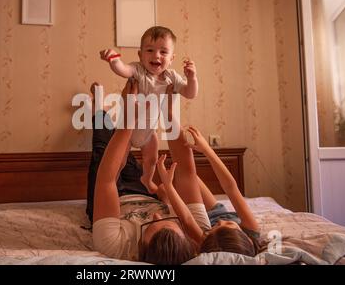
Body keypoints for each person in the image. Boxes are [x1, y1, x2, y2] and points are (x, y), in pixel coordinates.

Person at [87, 79, 210, 265]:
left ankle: (99, 110)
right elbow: (186, 172)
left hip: (115, 200)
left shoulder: (115, 246)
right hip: (145, 191)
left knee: (102, 151)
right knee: (123, 153)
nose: (156, 215)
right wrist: (168, 111)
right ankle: (109, 116)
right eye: (169, 222)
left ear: (139, 252)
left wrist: (128, 119)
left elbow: (107, 180)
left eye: (149, 226)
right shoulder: (197, 232)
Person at [99, 26, 198, 195]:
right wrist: (114, 60)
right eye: (150, 50)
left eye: (163, 52)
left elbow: (190, 94)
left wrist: (192, 78)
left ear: (172, 58)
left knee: (152, 159)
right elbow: (123, 70)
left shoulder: (171, 77)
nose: (156, 55)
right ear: (140, 55)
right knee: (120, 161)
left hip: (149, 132)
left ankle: (147, 179)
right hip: (129, 131)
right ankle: (113, 182)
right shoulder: (138, 70)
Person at [166, 125, 262, 256]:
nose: (221, 222)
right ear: (246, 239)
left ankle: (168, 114)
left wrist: (169, 187)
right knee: (188, 176)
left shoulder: (206, 241)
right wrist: (207, 150)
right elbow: (230, 187)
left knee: (182, 172)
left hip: (205, 223)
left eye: (218, 226)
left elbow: (187, 219)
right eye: (228, 224)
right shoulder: (252, 230)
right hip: (219, 210)